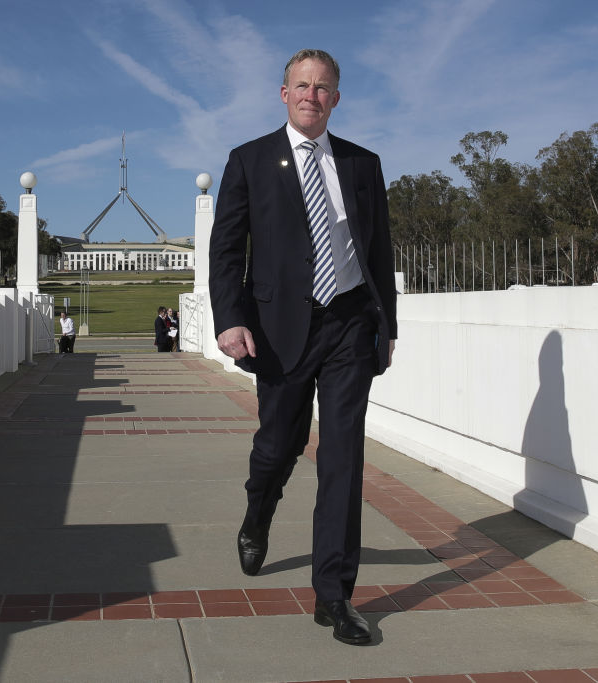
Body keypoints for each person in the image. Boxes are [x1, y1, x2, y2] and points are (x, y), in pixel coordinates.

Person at [208, 49, 396, 646]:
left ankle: (334, 596)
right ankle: (257, 513)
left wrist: (385, 326)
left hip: (348, 325)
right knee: (278, 444)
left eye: (323, 88)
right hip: (278, 330)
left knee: (343, 459)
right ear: (283, 93)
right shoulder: (250, 160)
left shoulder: (364, 165)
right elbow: (227, 250)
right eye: (302, 86)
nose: (312, 95)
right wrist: (230, 319)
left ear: (336, 98)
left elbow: (380, 251)